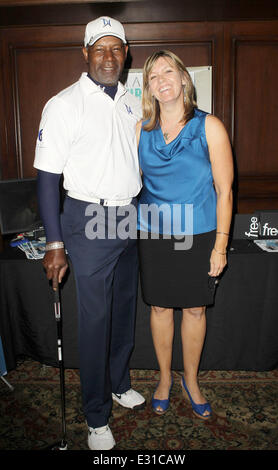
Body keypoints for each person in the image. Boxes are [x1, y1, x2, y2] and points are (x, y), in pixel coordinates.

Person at [33, 16, 145, 451]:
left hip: (129, 216)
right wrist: (55, 242)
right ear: (86, 54)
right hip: (88, 219)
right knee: (95, 322)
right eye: (100, 49)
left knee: (123, 312)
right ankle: (96, 416)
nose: (109, 57)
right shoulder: (63, 104)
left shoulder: (131, 102)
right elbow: (46, 179)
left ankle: (119, 383)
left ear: (126, 55)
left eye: (117, 49)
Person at [137, 50, 234, 419]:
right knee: (159, 307)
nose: (160, 80)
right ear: (148, 88)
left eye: (167, 72)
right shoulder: (140, 130)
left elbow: (225, 191)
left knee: (194, 309)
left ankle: (190, 380)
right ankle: (164, 378)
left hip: (199, 233)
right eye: (152, 76)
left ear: (183, 79)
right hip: (153, 233)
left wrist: (221, 246)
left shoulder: (210, 126)